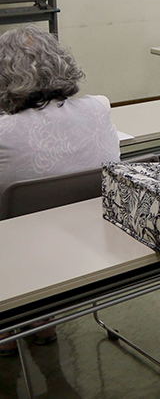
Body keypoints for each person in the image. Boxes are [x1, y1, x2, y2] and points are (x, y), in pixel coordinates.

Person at [0, 26, 120, 355]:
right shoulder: (99, 108)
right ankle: (42, 320)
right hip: (98, 250)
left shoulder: (3, 132)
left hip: (21, 259)